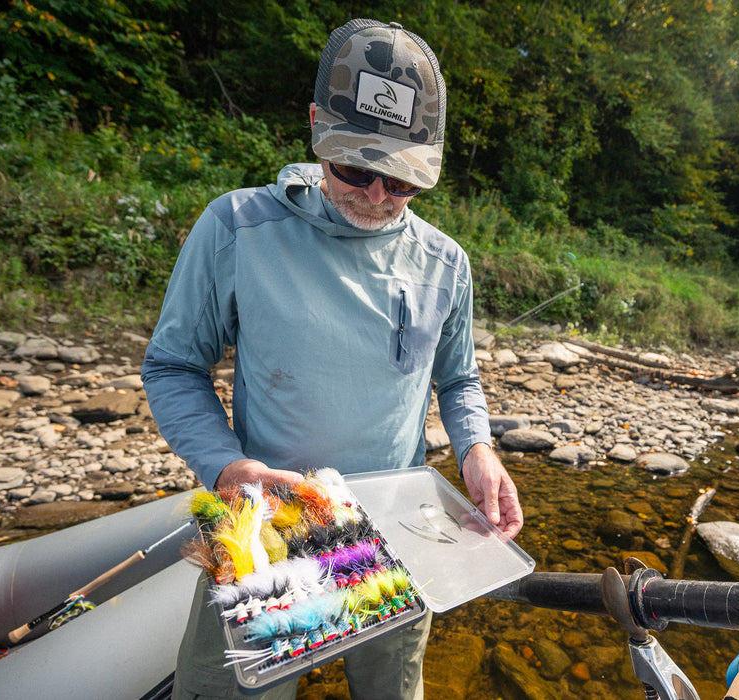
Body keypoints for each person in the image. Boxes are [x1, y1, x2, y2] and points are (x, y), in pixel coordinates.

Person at [141, 18, 523, 700]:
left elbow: (458, 376)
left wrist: (477, 449)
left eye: (401, 182)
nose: (376, 195)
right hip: (264, 525)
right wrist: (226, 465)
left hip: (397, 531)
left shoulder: (446, 265)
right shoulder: (236, 227)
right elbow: (173, 366)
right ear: (317, 126)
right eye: (355, 168)